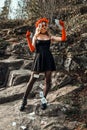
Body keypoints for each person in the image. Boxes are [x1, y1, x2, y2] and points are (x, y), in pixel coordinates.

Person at [20, 17, 66, 111]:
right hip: (39, 60)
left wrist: (62, 28)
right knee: (33, 79)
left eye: (45, 25)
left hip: (48, 60)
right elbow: (32, 49)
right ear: (39, 26)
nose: (44, 26)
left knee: (48, 81)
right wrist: (28, 38)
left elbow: (63, 38)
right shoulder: (36, 36)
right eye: (42, 25)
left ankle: (43, 100)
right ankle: (24, 99)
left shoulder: (50, 37)